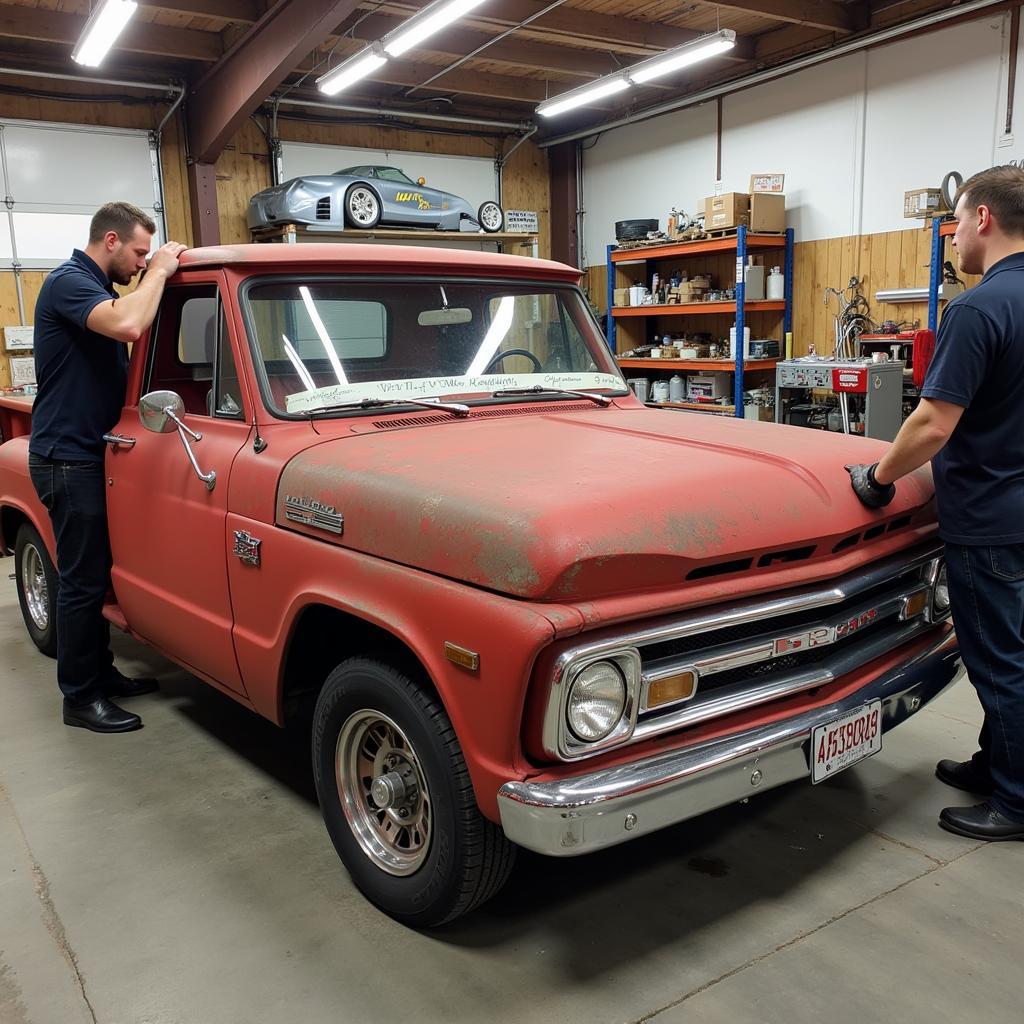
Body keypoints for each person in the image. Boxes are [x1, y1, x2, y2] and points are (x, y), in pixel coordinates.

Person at [846, 165, 1024, 841]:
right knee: (1018, 651)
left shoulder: (978, 308)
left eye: (955, 224)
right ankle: (994, 763)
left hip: (989, 518)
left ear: (983, 218)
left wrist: (879, 477)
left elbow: (931, 423)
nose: (951, 241)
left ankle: (1016, 801)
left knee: (999, 662)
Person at [28, 202, 187, 733]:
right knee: (80, 583)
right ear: (112, 240)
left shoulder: (96, 290)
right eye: (141, 251)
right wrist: (164, 269)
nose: (143, 262)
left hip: (90, 455)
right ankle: (79, 697)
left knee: (93, 580)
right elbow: (130, 325)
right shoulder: (67, 282)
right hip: (67, 459)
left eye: (149, 256)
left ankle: (102, 671)